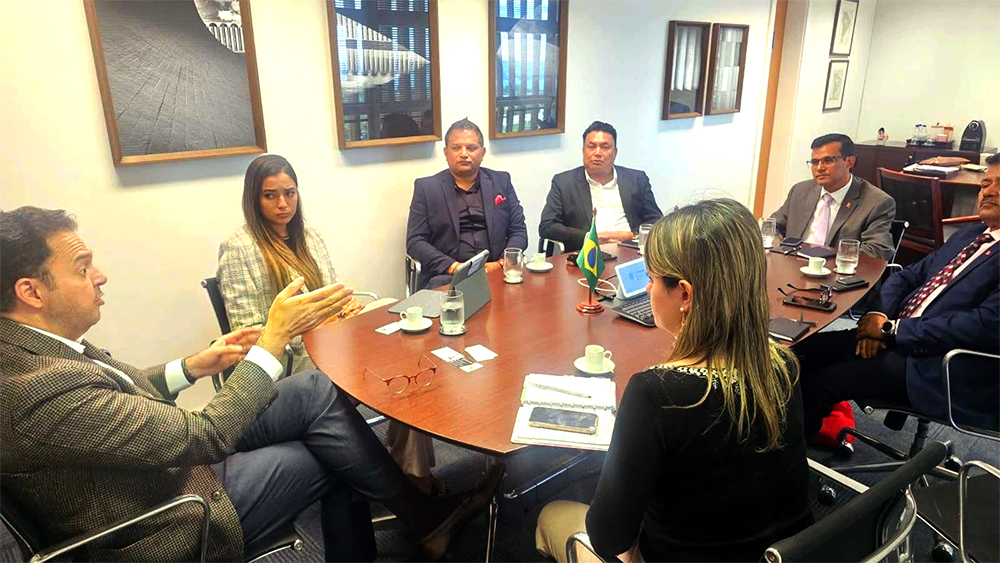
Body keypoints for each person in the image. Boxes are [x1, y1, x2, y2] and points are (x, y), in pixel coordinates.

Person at [0, 206, 503, 562]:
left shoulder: (35, 347)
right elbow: (205, 436)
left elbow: (113, 392)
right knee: (332, 456)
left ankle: (422, 518)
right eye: (83, 269)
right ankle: (423, 520)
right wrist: (273, 340)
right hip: (168, 509)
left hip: (162, 462)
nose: (101, 276)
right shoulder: (33, 391)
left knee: (315, 391)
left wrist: (191, 366)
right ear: (31, 291)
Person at [535, 199, 811, 562]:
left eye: (651, 280)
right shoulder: (783, 364)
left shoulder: (656, 394)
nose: (648, 289)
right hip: (785, 555)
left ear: (684, 294)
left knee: (551, 515)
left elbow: (608, 539)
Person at [218, 155, 441, 495]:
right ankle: (410, 481)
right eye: (270, 195)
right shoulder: (239, 249)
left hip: (333, 342)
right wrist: (319, 323)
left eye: (289, 193)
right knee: (393, 359)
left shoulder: (310, 236)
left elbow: (331, 296)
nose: (283, 204)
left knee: (394, 321)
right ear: (254, 198)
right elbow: (248, 338)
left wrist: (344, 308)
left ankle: (410, 468)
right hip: (293, 364)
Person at [797, 152, 1000, 436]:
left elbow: (984, 325)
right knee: (799, 353)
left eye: (999, 185)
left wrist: (892, 330)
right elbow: (907, 276)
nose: (989, 191)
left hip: (941, 364)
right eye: (985, 184)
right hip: (897, 337)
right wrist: (877, 316)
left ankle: (788, 458)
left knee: (819, 384)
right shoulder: (968, 236)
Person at [406, 118, 528, 290]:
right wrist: (454, 267)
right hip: (447, 276)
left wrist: (502, 263)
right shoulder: (426, 188)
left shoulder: (501, 181)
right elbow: (415, 241)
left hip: (496, 271)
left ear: (482, 153)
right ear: (446, 153)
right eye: (456, 148)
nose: (464, 154)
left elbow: (518, 230)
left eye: (471, 148)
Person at [769, 133, 896, 260]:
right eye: (815, 162)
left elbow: (877, 251)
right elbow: (772, 226)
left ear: (849, 162)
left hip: (835, 268)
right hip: (791, 262)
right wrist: (778, 247)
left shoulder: (876, 202)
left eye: (828, 160)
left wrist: (829, 258)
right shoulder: (800, 191)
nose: (819, 168)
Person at [539, 121, 662, 252]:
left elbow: (657, 220)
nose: (597, 153)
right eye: (591, 147)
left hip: (630, 250)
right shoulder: (564, 183)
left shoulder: (637, 179)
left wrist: (632, 235)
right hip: (588, 255)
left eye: (605, 147)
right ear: (583, 151)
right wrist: (589, 237)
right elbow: (547, 226)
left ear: (615, 152)